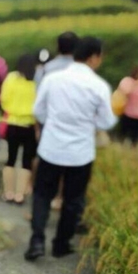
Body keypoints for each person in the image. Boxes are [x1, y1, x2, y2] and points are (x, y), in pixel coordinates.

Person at [24, 36, 117, 261]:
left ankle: (37, 241)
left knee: (42, 196)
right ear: (94, 57)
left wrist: (55, 123)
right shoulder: (99, 86)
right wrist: (87, 122)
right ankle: (61, 244)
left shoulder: (53, 79)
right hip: (80, 153)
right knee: (73, 200)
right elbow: (106, 123)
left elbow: (39, 111)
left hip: (51, 148)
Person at [35, 32, 80, 211]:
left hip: (50, 122)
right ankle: (60, 198)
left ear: (58, 46)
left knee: (45, 162)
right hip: (73, 123)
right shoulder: (81, 70)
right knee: (68, 162)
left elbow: (38, 100)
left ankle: (41, 203)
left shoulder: (46, 69)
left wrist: (39, 125)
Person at [0, 53, 38, 205]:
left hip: (12, 122)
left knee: (11, 158)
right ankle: (20, 195)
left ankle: (8, 192)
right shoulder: (35, 81)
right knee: (26, 161)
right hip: (29, 124)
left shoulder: (11, 78)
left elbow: (4, 99)